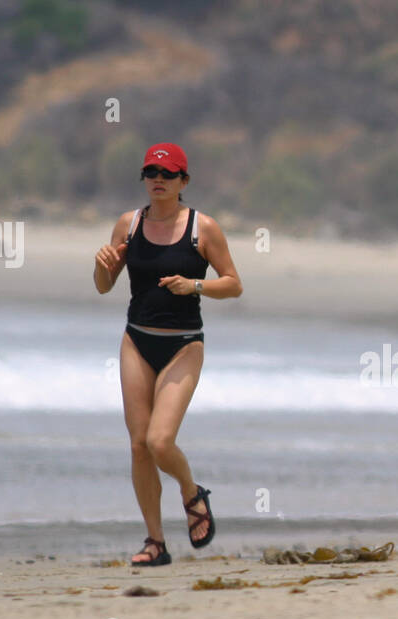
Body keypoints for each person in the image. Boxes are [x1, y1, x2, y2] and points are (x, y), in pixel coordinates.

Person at [92, 142, 243, 566]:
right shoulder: (128, 223)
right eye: (151, 173)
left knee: (161, 441)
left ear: (184, 182)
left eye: (168, 174)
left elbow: (233, 283)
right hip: (136, 340)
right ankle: (155, 543)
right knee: (139, 446)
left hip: (183, 344)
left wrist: (193, 285)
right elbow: (104, 285)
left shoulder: (203, 228)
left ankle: (191, 492)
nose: (158, 180)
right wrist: (103, 263)